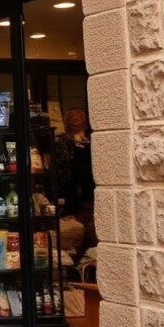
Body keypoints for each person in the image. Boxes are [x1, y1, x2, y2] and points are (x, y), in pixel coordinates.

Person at [53, 107, 95, 258]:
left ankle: (88, 254)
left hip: (91, 188)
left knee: (91, 223)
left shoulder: (93, 139)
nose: (76, 121)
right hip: (71, 190)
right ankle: (78, 255)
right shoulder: (62, 142)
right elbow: (59, 166)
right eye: (73, 119)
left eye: (79, 118)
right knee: (76, 225)